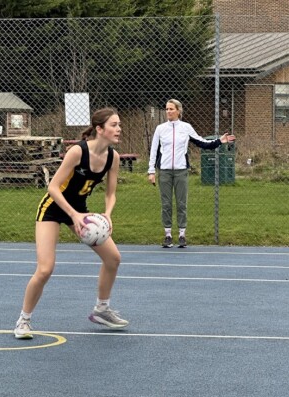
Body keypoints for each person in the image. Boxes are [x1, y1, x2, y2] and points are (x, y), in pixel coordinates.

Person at [14, 107, 129, 339]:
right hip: (53, 208)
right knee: (45, 268)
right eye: (114, 125)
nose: (119, 129)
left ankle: (101, 310)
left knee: (113, 258)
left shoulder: (113, 157)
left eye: (119, 124)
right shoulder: (78, 151)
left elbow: (110, 193)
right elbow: (53, 188)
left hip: (79, 211)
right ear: (99, 129)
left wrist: (107, 214)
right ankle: (23, 321)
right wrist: (74, 216)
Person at [148, 99, 235, 248]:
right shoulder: (160, 129)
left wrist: (219, 141)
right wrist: (151, 171)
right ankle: (168, 235)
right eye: (167, 109)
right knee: (166, 204)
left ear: (178, 111)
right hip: (164, 171)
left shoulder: (186, 127)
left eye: (171, 109)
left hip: (181, 171)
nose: (168, 111)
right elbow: (154, 150)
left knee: (181, 203)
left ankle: (182, 234)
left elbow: (202, 143)